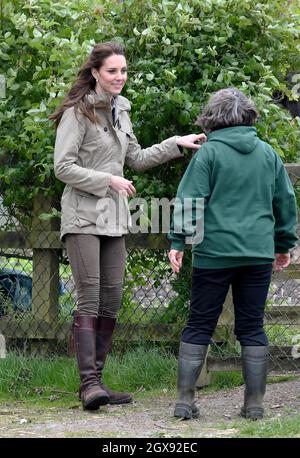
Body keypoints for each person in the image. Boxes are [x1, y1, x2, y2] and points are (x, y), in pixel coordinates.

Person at [50, 41, 206, 411]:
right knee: (89, 296)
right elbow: (63, 167)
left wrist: (175, 144)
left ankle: (97, 382)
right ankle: (88, 384)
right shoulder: (78, 113)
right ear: (95, 73)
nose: (119, 78)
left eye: (123, 71)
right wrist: (108, 180)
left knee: (113, 298)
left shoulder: (122, 110)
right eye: (112, 71)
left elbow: (134, 159)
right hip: (83, 216)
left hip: (114, 219)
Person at [168, 88, 298, 420]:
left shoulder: (208, 155)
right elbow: (285, 203)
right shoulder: (268, 154)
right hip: (257, 255)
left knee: (199, 324)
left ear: (214, 118)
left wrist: (179, 242)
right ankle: (254, 405)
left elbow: (188, 202)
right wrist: (283, 245)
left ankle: (185, 401)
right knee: (252, 327)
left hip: (214, 254)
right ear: (249, 116)